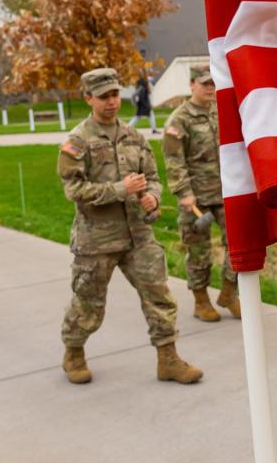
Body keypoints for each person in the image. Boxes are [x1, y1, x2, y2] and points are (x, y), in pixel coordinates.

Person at [57, 67, 202, 385]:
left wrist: (150, 196)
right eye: (104, 96)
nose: (111, 102)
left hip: (138, 234)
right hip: (97, 238)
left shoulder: (133, 136)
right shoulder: (78, 141)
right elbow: (74, 191)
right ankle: (74, 351)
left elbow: (151, 177)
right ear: (88, 99)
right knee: (89, 304)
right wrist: (119, 190)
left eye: (114, 95)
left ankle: (168, 359)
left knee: (159, 295)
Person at [161, 68, 239, 322]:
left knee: (240, 244)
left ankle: (228, 292)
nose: (210, 88)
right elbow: (174, 161)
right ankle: (201, 300)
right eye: (205, 83)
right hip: (196, 198)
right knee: (199, 252)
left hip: (226, 191)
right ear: (192, 84)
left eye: (213, 83)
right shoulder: (179, 119)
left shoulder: (221, 111)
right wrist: (184, 193)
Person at [129, 69, 159, 133]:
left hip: (142, 103)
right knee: (137, 117)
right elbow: (141, 95)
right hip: (144, 104)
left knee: (139, 117)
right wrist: (146, 105)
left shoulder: (141, 81)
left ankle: (154, 129)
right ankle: (127, 129)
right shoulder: (143, 82)